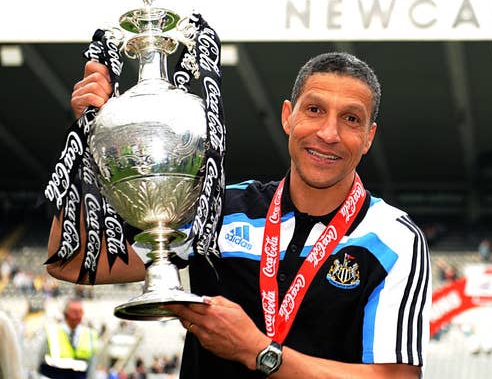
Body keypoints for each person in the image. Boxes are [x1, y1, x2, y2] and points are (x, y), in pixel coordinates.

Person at [47, 52, 431, 378]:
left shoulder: (393, 239)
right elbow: (73, 261)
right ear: (288, 116)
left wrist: (259, 352)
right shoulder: (220, 208)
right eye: (314, 110)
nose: (329, 133)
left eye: (351, 119)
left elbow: (395, 376)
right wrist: (89, 138)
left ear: (368, 137)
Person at [37, 298, 100, 379]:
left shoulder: (90, 334)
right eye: (74, 312)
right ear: (65, 313)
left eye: (80, 312)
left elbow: (92, 365)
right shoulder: (51, 332)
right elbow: (40, 362)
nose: (78, 315)